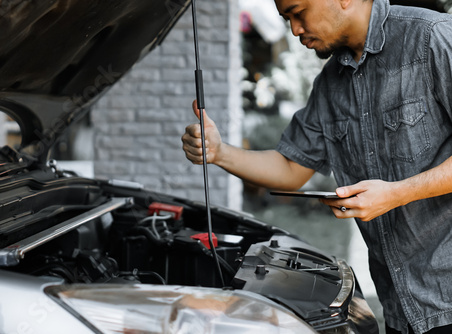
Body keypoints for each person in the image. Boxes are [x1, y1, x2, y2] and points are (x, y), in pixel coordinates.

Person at [182, 0, 452, 333]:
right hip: (400, 308)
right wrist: (220, 152)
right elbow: (291, 168)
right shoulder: (330, 84)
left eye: (298, 12)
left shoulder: (433, 37)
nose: (294, 29)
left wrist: (396, 193)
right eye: (286, 19)